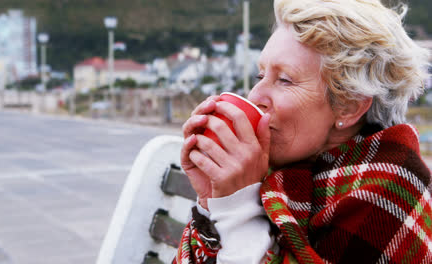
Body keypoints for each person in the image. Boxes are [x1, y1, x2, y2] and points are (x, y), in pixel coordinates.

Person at [174, 0, 432, 263]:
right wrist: (212, 203)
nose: (256, 95)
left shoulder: (385, 194)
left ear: (348, 106)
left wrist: (239, 211)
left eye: (284, 79)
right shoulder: (288, 176)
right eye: (259, 76)